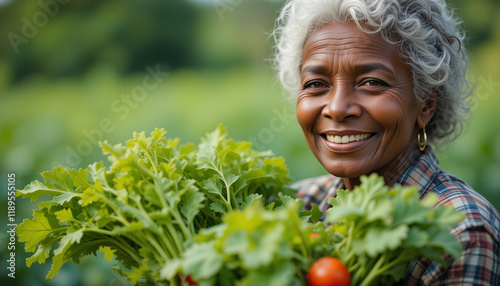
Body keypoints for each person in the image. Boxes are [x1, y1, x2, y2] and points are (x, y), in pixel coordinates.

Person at [272, 0, 500, 284]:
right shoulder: (297, 208)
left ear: (426, 103)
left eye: (372, 82)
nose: (337, 108)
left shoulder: (459, 231)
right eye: (316, 84)